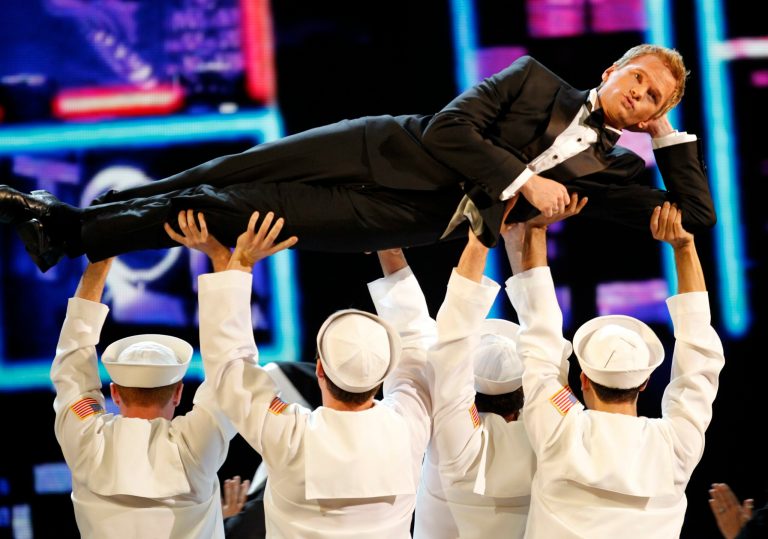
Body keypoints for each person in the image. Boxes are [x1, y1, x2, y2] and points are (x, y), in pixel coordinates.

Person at [1, 43, 715, 272]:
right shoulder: (532, 78)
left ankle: (68, 229)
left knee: (229, 211)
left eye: (653, 99)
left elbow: (696, 219)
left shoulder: (616, 171)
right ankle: (70, 224)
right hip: (382, 143)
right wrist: (526, 182)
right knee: (220, 173)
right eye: (638, 79)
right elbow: (448, 129)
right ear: (613, 70)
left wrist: (667, 139)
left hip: (405, 216)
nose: (640, 95)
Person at [187, 209, 432, 538]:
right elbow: (417, 341)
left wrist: (239, 263)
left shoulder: (290, 435)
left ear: (318, 369)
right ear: (382, 377)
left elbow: (231, 369)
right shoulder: (408, 426)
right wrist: (392, 253)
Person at [502, 201, 725, 538]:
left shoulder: (562, 428)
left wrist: (535, 230)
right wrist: (685, 247)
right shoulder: (674, 446)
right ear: (645, 382)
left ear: (583, 380)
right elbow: (700, 358)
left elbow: (541, 343)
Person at [367, 195, 584, 538]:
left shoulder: (455, 441)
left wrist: (485, 239)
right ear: (523, 394)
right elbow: (546, 350)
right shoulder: (552, 440)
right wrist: (525, 235)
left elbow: (444, 343)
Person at [51, 257, 238, 538]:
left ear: (114, 392)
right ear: (179, 393)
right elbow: (232, 371)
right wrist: (225, 260)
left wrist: (101, 258)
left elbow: (72, 358)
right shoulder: (195, 445)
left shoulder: (86, 441)